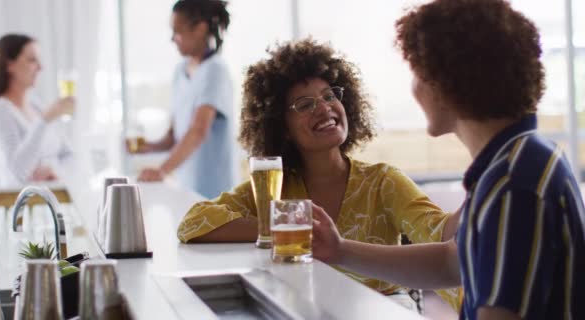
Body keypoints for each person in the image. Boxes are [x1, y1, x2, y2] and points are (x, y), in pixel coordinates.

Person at [312, 1, 585, 319]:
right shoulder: (519, 158)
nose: (413, 88)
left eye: (417, 73)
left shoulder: (513, 184)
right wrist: (340, 250)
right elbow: (451, 262)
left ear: (446, 84)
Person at [178, 39, 462, 312]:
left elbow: (440, 233)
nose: (324, 108)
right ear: (283, 127)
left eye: (329, 96)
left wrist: (481, 185)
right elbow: (192, 224)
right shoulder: (275, 187)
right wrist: (282, 226)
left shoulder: (382, 182)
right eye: (304, 105)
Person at [133, 0, 236, 199]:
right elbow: (174, 136)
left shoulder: (215, 71)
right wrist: (148, 147)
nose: (173, 39)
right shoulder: (180, 71)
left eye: (177, 32)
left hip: (213, 193)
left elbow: (198, 130)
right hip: (184, 187)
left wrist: (162, 170)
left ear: (200, 29)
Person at [0, 34, 74, 185]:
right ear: (9, 65)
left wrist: (53, 171)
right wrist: (44, 121)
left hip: (52, 201)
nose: (40, 67)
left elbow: (69, 155)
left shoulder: (36, 105)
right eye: (32, 60)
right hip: (24, 205)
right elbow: (17, 173)